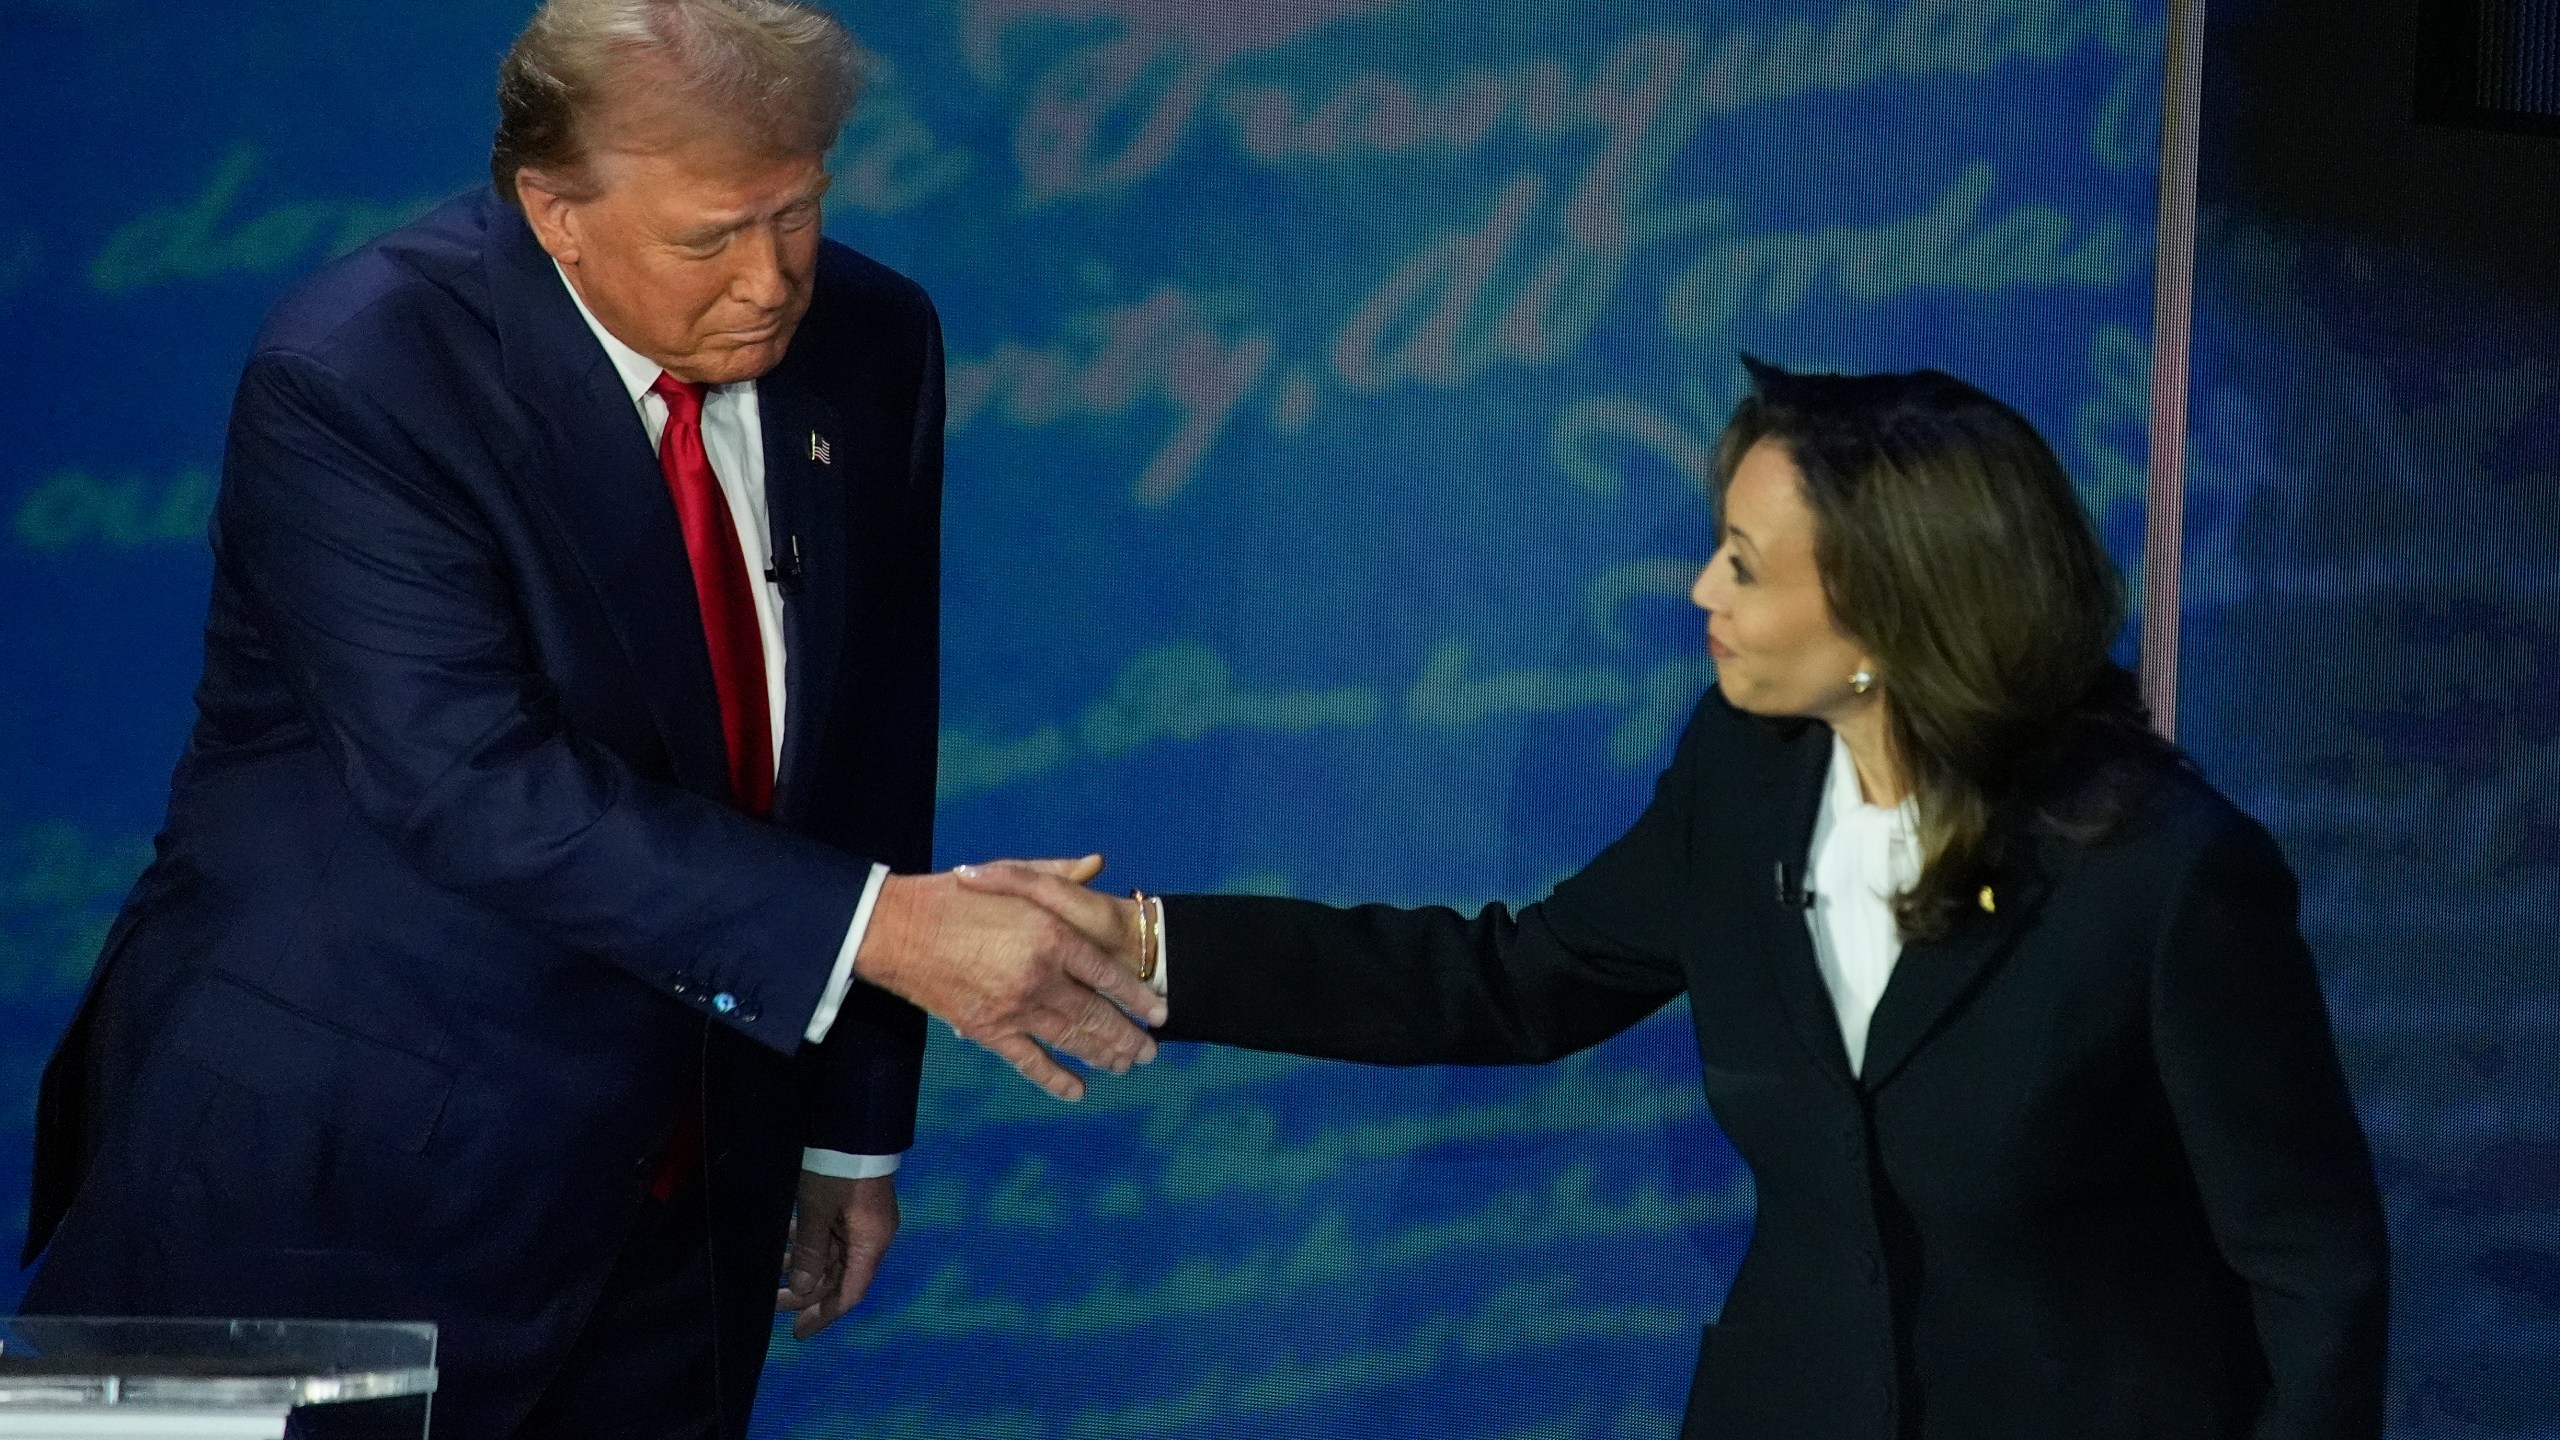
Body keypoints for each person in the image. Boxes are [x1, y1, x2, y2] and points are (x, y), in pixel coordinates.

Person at [17, 2, 1163, 1436]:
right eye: (709, 238)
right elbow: (470, 783)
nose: (770, 281)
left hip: (687, 1196)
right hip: (331, 1178)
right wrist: (887, 933)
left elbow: (865, 743)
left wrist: (846, 1134)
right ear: (552, 211)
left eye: (797, 212)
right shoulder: (360, 371)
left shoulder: (875, 339)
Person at [962, 361, 2392, 1439]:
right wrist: (1147, 940)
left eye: (1747, 566)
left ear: (1894, 618)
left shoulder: (2165, 874)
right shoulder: (1745, 773)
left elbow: (2314, 1271)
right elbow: (1509, 983)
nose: (1701, 586)